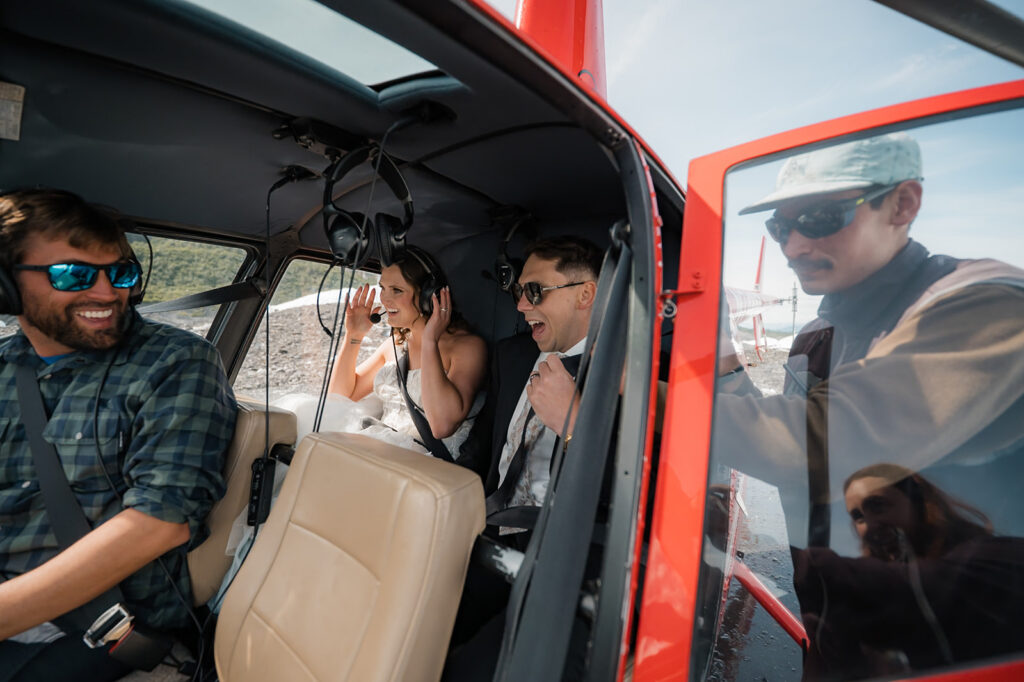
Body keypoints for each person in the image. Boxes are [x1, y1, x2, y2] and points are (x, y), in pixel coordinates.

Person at [713, 131, 1024, 545]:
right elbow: (787, 435)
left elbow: (820, 445)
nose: (794, 247)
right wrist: (726, 358)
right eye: (780, 227)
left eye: (819, 218)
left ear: (902, 204)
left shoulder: (986, 305)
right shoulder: (816, 335)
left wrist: (629, 389)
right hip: (840, 597)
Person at [0, 189, 237, 681]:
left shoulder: (172, 362)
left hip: (92, 623)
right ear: (4, 285)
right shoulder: (4, 367)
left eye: (121, 274)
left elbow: (161, 520)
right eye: (75, 274)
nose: (109, 293)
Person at [444, 235, 603, 681]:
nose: (520, 306)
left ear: (584, 294)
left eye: (534, 292)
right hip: (489, 529)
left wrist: (574, 425)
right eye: (519, 292)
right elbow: (485, 446)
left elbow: (633, 495)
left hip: (565, 554)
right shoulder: (513, 356)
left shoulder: (634, 372)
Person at [791, 464, 1024, 680]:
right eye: (859, 517)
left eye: (878, 505)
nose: (870, 526)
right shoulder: (860, 611)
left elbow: (926, 587)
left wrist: (797, 560)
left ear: (919, 502)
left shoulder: (996, 557)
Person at [324, 245, 487, 457]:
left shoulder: (467, 347)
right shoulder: (395, 345)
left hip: (426, 467)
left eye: (397, 290)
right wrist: (354, 335)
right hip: (380, 450)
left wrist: (429, 340)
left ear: (428, 295)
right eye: (383, 288)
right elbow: (340, 397)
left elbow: (442, 426)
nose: (384, 299)